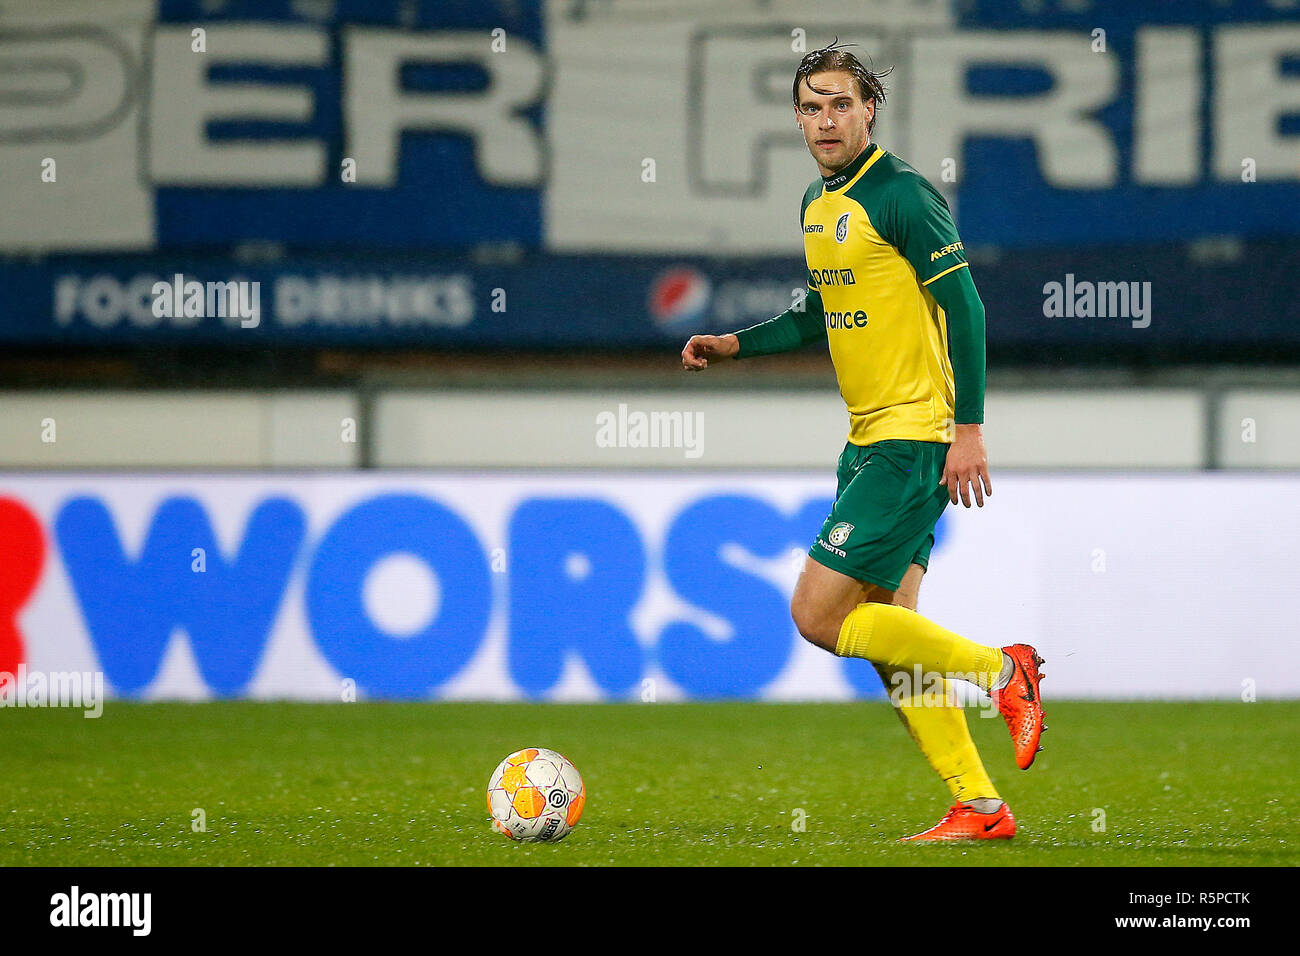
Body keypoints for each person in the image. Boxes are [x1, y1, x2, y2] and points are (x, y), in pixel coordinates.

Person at [680, 41, 1047, 841]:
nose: (824, 120)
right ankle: (980, 808)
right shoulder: (818, 204)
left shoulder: (903, 195)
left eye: (840, 103)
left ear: (869, 108)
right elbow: (819, 313)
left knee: (816, 615)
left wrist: (969, 430)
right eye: (810, 107)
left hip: (912, 441)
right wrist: (735, 345)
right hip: (870, 442)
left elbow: (969, 310)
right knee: (893, 641)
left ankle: (1003, 670)